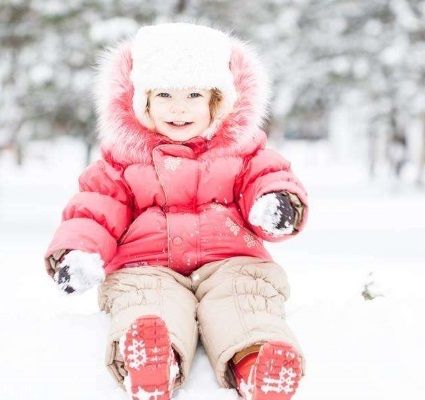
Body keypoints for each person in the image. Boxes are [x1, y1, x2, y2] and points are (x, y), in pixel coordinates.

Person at [44, 22, 309, 400]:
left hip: (230, 259)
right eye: (164, 93)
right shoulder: (121, 159)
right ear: (142, 100)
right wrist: (78, 253)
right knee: (145, 300)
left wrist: (276, 204)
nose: (179, 107)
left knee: (244, 299)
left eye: (194, 94)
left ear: (217, 100)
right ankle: (152, 359)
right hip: (147, 264)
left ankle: (259, 361)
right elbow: (95, 208)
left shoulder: (243, 150)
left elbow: (267, 177)